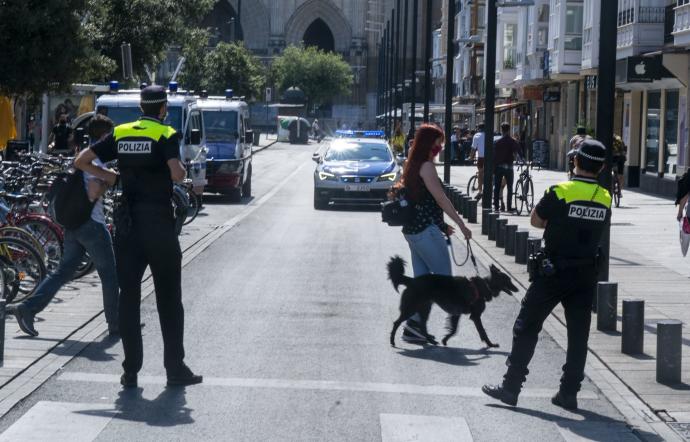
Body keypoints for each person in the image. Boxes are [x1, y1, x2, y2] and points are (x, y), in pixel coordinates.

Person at [75, 85, 202, 389]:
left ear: (140, 107)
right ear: (163, 108)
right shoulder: (165, 133)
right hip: (158, 223)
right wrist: (181, 167)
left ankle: (130, 371)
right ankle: (174, 368)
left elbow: (81, 160)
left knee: (128, 298)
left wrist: (112, 177)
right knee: (169, 298)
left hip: (128, 226)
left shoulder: (121, 133)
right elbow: (176, 174)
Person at [482, 140, 612, 411]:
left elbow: (536, 220)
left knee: (526, 326)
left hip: (552, 272)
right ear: (600, 168)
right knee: (578, 337)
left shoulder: (561, 191)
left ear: (575, 162)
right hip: (585, 274)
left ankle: (511, 387)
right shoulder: (605, 197)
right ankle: (568, 393)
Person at [9, 115, 119, 337]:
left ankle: (28, 308)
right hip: (92, 226)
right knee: (109, 274)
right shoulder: (95, 162)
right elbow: (94, 192)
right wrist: (110, 178)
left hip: (73, 225)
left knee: (63, 272)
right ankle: (116, 324)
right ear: (105, 136)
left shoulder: (84, 159)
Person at [392, 124, 472, 344]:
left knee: (422, 285)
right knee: (445, 283)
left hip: (414, 232)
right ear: (429, 144)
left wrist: (442, 225)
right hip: (426, 232)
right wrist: (460, 224)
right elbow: (440, 199)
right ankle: (450, 323)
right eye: (438, 144)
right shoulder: (427, 167)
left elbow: (422, 201)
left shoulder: (411, 164)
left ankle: (413, 326)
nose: (440, 148)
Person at [493, 123, 522, 212]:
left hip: (498, 167)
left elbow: (493, 155)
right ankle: (509, 207)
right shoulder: (512, 141)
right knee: (510, 187)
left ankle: (496, 206)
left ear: (501, 130)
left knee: (497, 187)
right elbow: (518, 152)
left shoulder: (497, 141)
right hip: (509, 167)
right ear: (509, 130)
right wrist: (522, 160)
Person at [470, 123, 486, 198]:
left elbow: (473, 149)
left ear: (478, 129)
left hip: (481, 157)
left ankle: (480, 191)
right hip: (490, 157)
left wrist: (471, 157)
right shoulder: (490, 135)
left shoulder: (476, 136)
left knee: (480, 173)